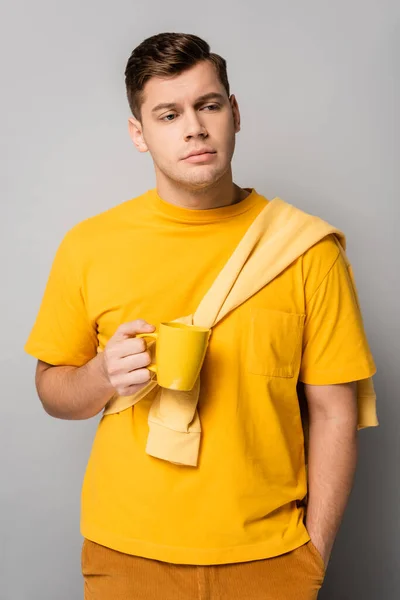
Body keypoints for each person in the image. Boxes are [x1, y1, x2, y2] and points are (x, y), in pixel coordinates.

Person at [25, 32, 378, 599]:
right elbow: (50, 390)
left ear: (234, 113)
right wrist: (98, 377)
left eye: (208, 105)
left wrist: (311, 557)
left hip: (271, 559)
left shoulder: (307, 250)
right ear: (139, 134)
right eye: (168, 114)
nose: (193, 127)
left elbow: (335, 413)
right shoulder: (89, 246)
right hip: (125, 554)